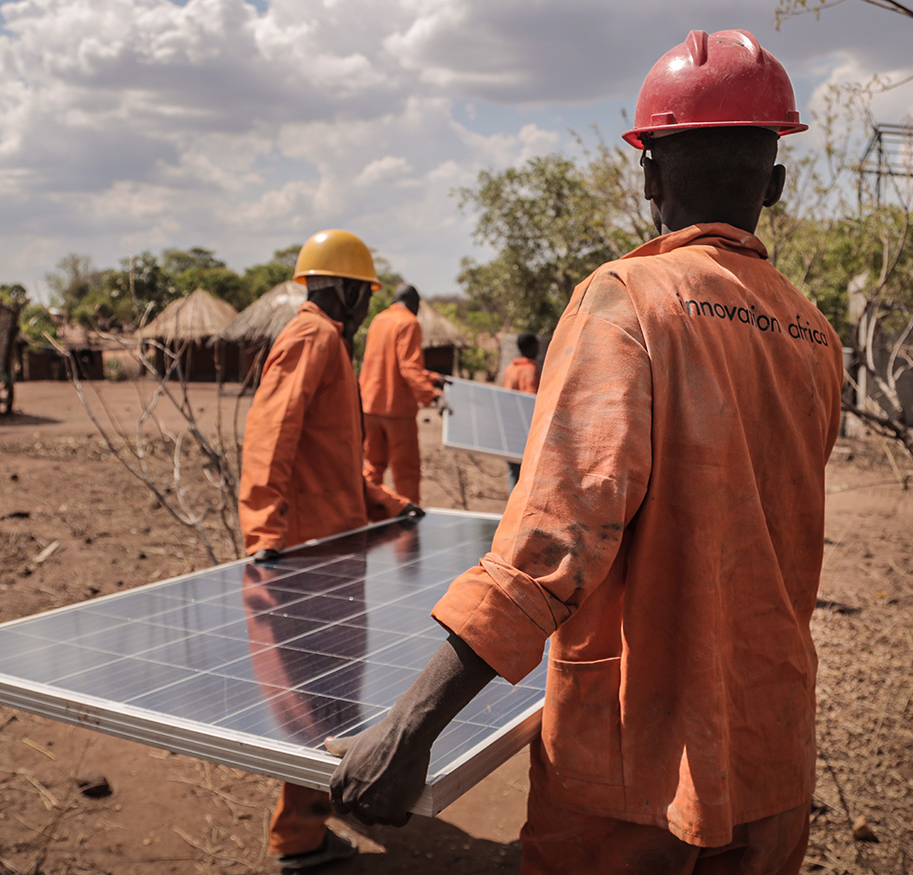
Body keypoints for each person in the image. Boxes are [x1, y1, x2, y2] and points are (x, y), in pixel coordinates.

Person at [326, 29, 843, 875]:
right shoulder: (815, 335)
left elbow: (554, 541)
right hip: (773, 753)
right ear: (776, 184)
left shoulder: (628, 300)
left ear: (648, 173)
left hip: (634, 767)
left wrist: (410, 724)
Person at [238, 227, 422, 871]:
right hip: (307, 559)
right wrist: (263, 533)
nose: (366, 306)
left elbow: (338, 460)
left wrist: (387, 503)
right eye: (364, 294)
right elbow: (271, 433)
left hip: (335, 554)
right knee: (312, 699)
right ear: (347, 291)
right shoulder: (313, 337)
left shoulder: (330, 344)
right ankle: (299, 837)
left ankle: (318, 807)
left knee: (335, 693)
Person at [358, 283, 444, 505]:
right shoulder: (409, 322)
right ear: (415, 304)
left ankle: (368, 513)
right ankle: (409, 522)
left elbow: (390, 362)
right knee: (405, 473)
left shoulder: (379, 320)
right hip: (396, 411)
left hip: (369, 405)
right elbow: (408, 367)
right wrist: (433, 395)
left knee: (373, 466)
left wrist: (432, 377)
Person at [500, 331, 540, 490]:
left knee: (513, 473)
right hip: (523, 429)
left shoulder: (511, 367)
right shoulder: (529, 370)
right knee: (523, 477)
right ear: (530, 347)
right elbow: (529, 401)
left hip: (509, 426)